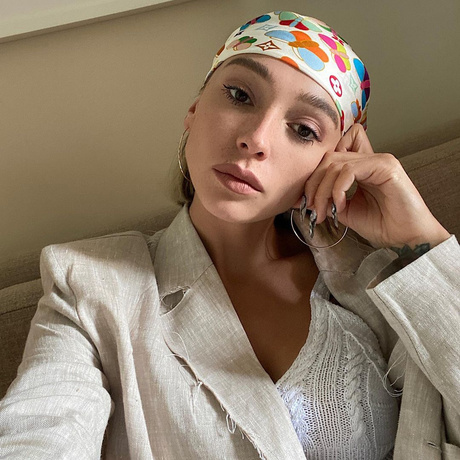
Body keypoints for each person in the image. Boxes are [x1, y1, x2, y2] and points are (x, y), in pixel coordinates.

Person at [0, 10, 459, 460]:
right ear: (195, 108)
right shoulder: (89, 285)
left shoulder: (383, 283)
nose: (256, 139)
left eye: (303, 130)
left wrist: (420, 238)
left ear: (332, 159)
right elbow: (40, 430)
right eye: (240, 95)